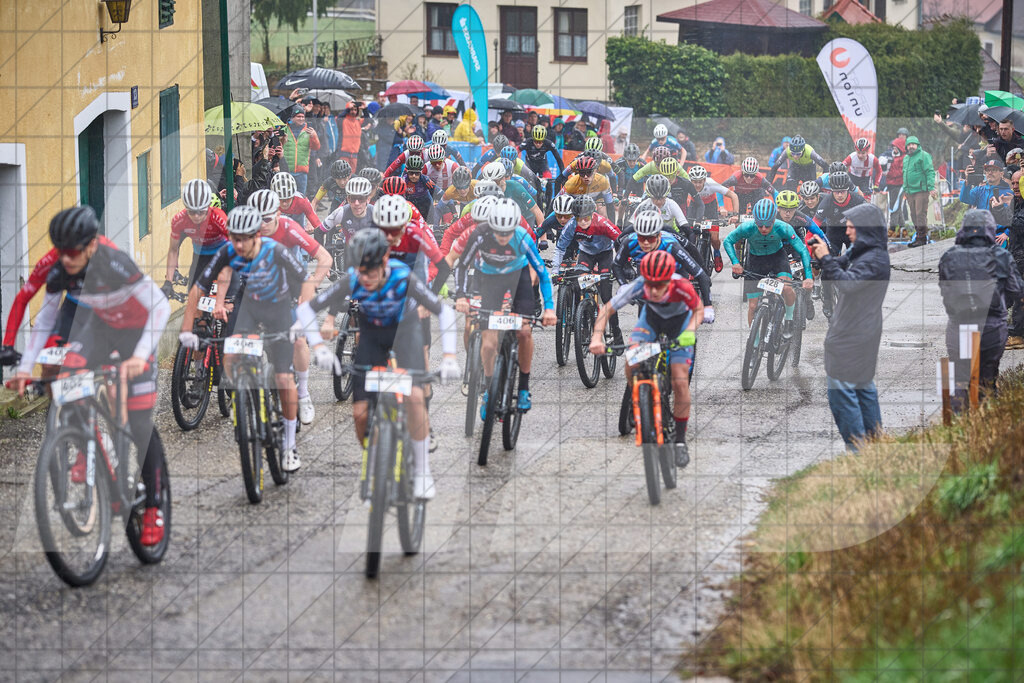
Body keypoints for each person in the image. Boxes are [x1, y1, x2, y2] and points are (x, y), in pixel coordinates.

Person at [12, 206, 171, 545]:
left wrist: (140, 355)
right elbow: (44, 322)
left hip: (136, 332)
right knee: (67, 379)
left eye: (72, 252)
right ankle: (86, 446)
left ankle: (154, 506)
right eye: (60, 250)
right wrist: (26, 367)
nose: (65, 259)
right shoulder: (61, 269)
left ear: (90, 246)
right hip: (100, 328)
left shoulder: (114, 262)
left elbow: (160, 306)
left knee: (140, 423)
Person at [294, 227, 460, 500]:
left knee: (416, 397)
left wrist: (451, 357)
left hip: (405, 333)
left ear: (384, 262)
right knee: (360, 415)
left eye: (370, 271)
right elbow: (306, 309)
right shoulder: (354, 278)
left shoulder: (402, 275)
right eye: (360, 271)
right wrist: (320, 348)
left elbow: (443, 311)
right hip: (372, 337)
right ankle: (377, 459)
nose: (365, 278)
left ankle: (421, 471)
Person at [182, 205, 313, 472]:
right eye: (234, 237)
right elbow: (198, 289)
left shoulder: (274, 251)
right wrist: (186, 330)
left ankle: (289, 445)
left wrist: (301, 319)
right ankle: (243, 397)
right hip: (250, 306)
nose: (239, 245)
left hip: (278, 307)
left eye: (245, 238)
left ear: (257, 236)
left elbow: (306, 280)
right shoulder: (228, 251)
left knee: (283, 377)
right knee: (230, 354)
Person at [589, 250, 704, 467]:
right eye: (650, 284)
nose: (654, 290)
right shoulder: (640, 285)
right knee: (632, 361)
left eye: (660, 285)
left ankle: (680, 442)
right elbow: (606, 310)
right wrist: (596, 337)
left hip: (680, 326)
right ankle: (637, 396)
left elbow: (698, 310)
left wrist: (690, 331)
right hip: (650, 322)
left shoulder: (682, 286)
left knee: (679, 381)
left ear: (670, 278)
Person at [454, 198, 556, 415]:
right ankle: (489, 389)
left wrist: (549, 308)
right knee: (489, 343)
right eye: (498, 233)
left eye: (507, 233)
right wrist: (461, 296)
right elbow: (462, 266)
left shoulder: (522, 237)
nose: (502, 238)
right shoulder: (480, 234)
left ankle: (524, 388)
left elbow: (542, 273)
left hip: (517, 280)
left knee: (524, 331)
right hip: (489, 282)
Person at [805, 203, 889, 450]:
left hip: (854, 333)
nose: (848, 231)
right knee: (863, 387)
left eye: (852, 227)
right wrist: (823, 256)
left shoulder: (873, 258)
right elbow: (838, 265)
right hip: (861, 329)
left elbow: (847, 284)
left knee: (841, 392)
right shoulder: (863, 251)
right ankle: (874, 444)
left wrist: (826, 260)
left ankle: (857, 449)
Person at [937, 209, 1024, 411]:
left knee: (960, 376)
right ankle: (984, 423)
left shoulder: (949, 257)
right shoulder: (1001, 256)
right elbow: (1018, 291)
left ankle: (957, 426)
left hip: (959, 326)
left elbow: (945, 291)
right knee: (987, 377)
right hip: (991, 329)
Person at [723, 198, 813, 333]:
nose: (764, 229)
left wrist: (809, 276)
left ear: (773, 220)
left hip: (777, 259)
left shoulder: (783, 227)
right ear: (755, 221)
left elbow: (803, 250)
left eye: (767, 225)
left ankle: (788, 319)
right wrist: (735, 262)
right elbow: (728, 241)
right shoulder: (747, 227)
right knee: (753, 306)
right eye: (760, 225)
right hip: (755, 261)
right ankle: (754, 344)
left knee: (787, 289)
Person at [162, 179, 230, 293]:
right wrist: (168, 282)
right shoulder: (180, 220)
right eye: (192, 212)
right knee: (194, 298)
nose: (197, 216)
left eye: (201, 212)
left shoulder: (218, 217)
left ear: (208, 207)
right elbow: (173, 250)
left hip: (222, 257)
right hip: (200, 257)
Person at [901, 135, 936, 247]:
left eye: (913, 144)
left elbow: (930, 171)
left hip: (921, 190)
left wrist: (931, 187)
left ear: (917, 145)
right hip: (909, 191)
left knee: (920, 213)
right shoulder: (906, 158)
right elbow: (905, 173)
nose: (911, 146)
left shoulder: (924, 155)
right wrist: (905, 189)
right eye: (909, 144)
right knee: (913, 215)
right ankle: (918, 236)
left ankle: (922, 238)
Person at [280, 107, 321, 196]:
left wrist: (314, 136)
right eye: (298, 116)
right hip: (287, 170)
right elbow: (278, 146)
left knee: (301, 197)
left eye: (303, 116)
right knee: (287, 196)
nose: (301, 119)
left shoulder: (309, 130)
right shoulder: (284, 129)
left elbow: (316, 147)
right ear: (292, 117)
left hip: (302, 172)